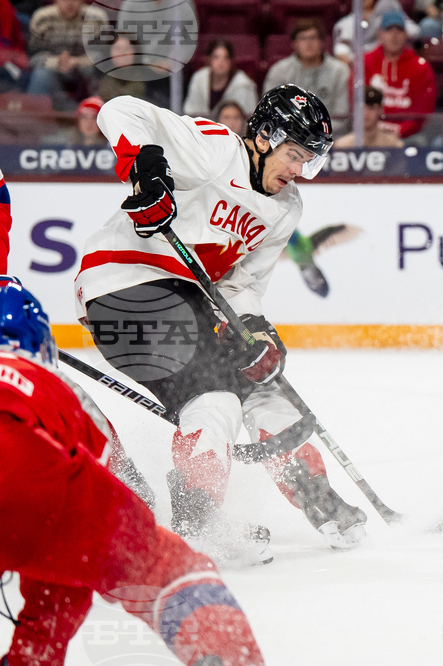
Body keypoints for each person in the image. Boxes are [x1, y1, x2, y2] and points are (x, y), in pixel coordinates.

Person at [72, 85, 369, 565]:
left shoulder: (287, 207)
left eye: (310, 161)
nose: (299, 172)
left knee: (264, 387)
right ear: (265, 137)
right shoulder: (214, 149)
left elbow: (239, 285)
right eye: (295, 155)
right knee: (211, 398)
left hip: (190, 299)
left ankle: (316, 497)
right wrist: (146, 166)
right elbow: (119, 110)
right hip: (122, 284)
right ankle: (196, 525)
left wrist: (254, 331)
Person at [0, 276, 266, 665]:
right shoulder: (55, 386)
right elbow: (74, 535)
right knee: (167, 567)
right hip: (29, 474)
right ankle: (226, 655)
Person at [264, 18, 350, 136]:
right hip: (289, 140)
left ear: (322, 42)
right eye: (303, 38)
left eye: (313, 38)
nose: (308, 43)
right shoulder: (279, 71)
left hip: (331, 140)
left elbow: (342, 115)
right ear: (293, 44)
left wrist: (316, 133)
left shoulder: (340, 71)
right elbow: (271, 111)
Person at [364, 11, 437, 138]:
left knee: (419, 142)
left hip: (410, 136)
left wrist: (399, 131)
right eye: (388, 29)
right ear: (379, 34)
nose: (394, 35)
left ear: (406, 34)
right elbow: (357, 102)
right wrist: (377, 129)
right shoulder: (365, 62)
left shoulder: (421, 67)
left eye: (399, 29)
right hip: (369, 132)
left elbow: (423, 111)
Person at [26, 0, 106, 110]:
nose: (69, 3)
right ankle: (35, 119)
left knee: (97, 71)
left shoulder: (97, 18)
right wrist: (57, 62)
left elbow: (103, 55)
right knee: (40, 75)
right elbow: (33, 56)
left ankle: (97, 115)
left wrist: (77, 62)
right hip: (54, 68)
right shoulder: (42, 18)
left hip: (84, 68)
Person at [184, 38, 258, 119]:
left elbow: (249, 117)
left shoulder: (244, 84)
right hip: (200, 128)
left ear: (231, 61)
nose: (221, 63)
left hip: (233, 131)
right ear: (208, 59)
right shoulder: (198, 78)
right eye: (216, 57)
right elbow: (190, 113)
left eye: (225, 58)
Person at [333, 0, 418, 62]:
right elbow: (340, 49)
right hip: (361, 64)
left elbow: (414, 31)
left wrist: (392, 31)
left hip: (387, 60)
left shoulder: (388, 8)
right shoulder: (345, 23)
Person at [334, 85, 403, 147]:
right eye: (361, 108)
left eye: (371, 108)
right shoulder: (343, 146)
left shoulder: (393, 145)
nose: (365, 113)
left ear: (380, 110)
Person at [95, 33, 146, 102]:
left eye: (127, 49)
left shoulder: (149, 78)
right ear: (109, 52)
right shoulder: (98, 76)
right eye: (117, 49)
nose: (122, 53)